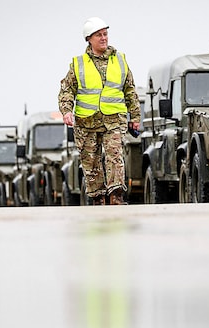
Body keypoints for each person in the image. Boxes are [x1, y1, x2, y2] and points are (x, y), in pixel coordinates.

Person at [58, 17, 140, 205]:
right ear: (89, 39)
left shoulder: (120, 60)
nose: (104, 38)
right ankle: (98, 198)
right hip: (86, 122)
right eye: (99, 35)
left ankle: (116, 196)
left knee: (115, 156)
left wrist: (135, 116)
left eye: (105, 34)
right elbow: (67, 91)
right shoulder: (78, 64)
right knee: (91, 162)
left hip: (114, 119)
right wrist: (66, 111)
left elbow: (130, 90)